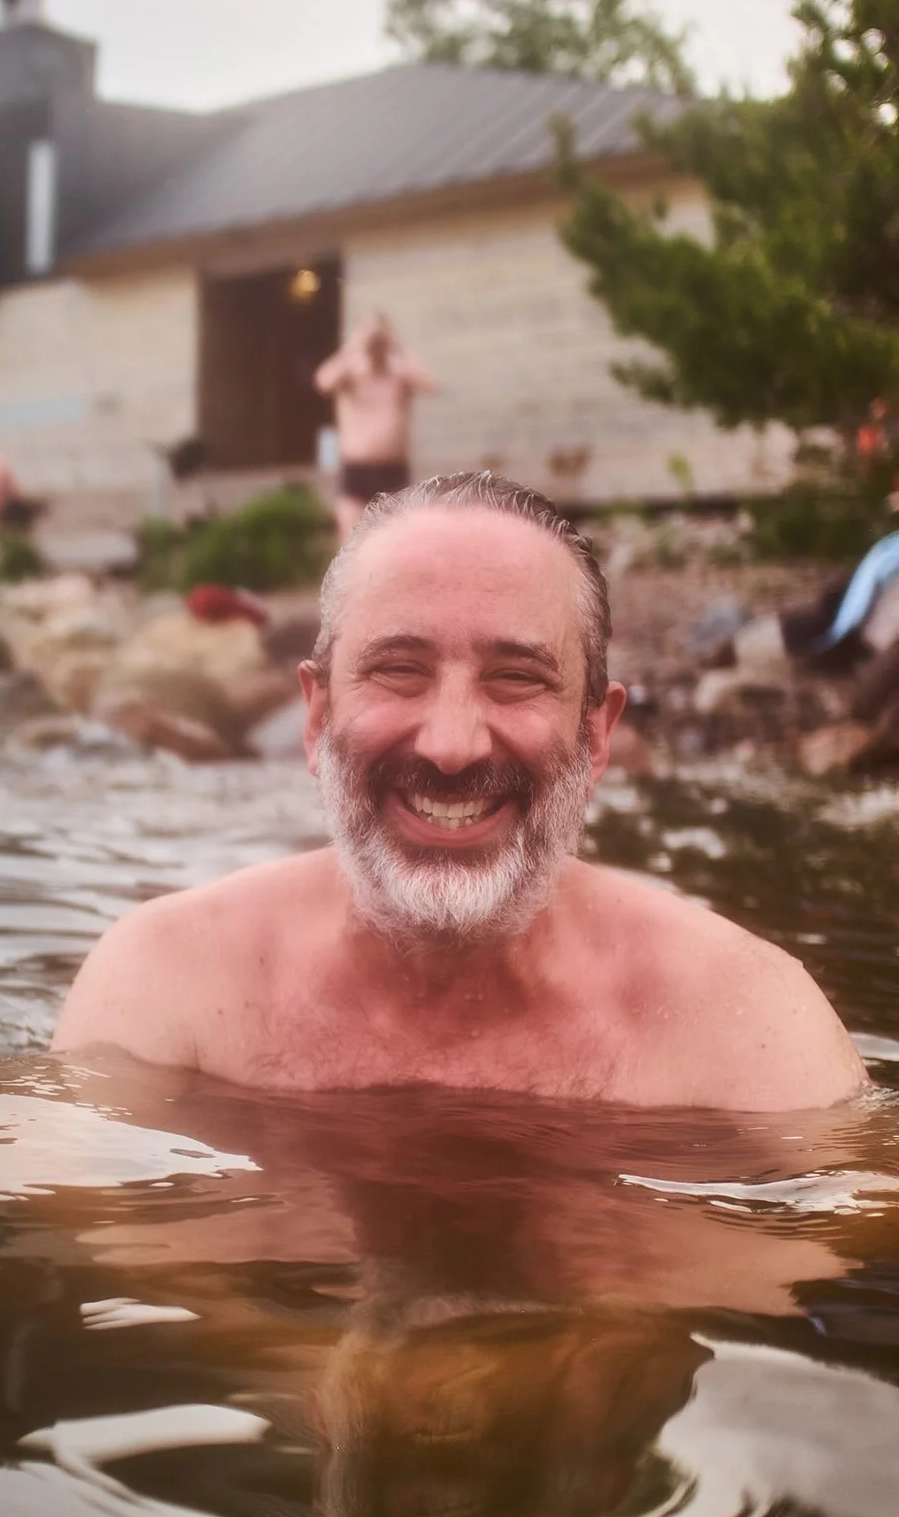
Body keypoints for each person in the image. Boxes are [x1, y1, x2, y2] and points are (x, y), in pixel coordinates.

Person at [53, 471, 863, 1109]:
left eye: (515, 678)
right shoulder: (168, 989)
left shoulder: (745, 1026)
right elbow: (77, 1238)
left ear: (595, 737)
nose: (449, 745)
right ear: (316, 716)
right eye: (398, 670)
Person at [314, 310, 436, 540]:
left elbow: (429, 384)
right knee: (350, 543)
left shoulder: (400, 376)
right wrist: (354, 345)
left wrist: (397, 345)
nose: (375, 345)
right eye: (371, 339)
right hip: (356, 469)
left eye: (380, 339)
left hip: (393, 469)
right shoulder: (350, 375)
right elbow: (323, 382)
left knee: (396, 541)